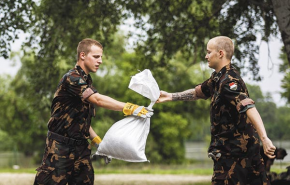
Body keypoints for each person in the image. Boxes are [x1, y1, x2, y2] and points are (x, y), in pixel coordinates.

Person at [157, 36, 276, 185]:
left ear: (220, 53)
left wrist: (264, 139)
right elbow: (198, 92)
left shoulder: (228, 82)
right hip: (237, 154)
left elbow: (248, 107)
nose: (206, 56)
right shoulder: (217, 79)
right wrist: (170, 96)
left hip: (235, 157)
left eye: (208, 52)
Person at [34, 38, 152, 185]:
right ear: (82, 55)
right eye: (96, 56)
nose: (100, 61)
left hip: (81, 148)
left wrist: (97, 141)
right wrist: (130, 107)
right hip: (60, 148)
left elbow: (80, 119)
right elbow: (98, 100)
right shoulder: (72, 78)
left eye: (101, 57)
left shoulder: (86, 80)